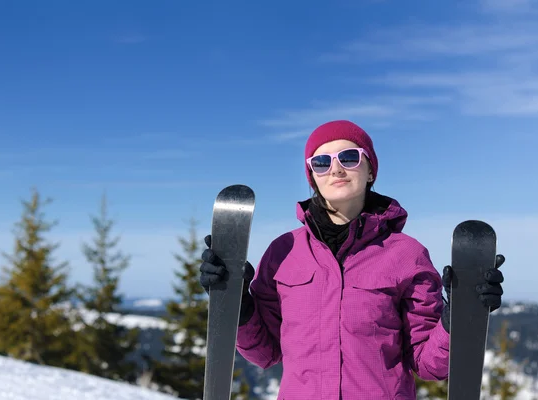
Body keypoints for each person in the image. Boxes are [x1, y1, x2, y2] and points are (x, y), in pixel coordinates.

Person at [200, 120, 505, 399]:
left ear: (370, 170)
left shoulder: (406, 255)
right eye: (321, 162)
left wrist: (458, 320)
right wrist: (237, 305)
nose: (335, 169)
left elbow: (429, 365)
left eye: (349, 157)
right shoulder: (284, 252)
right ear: (313, 177)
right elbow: (265, 352)